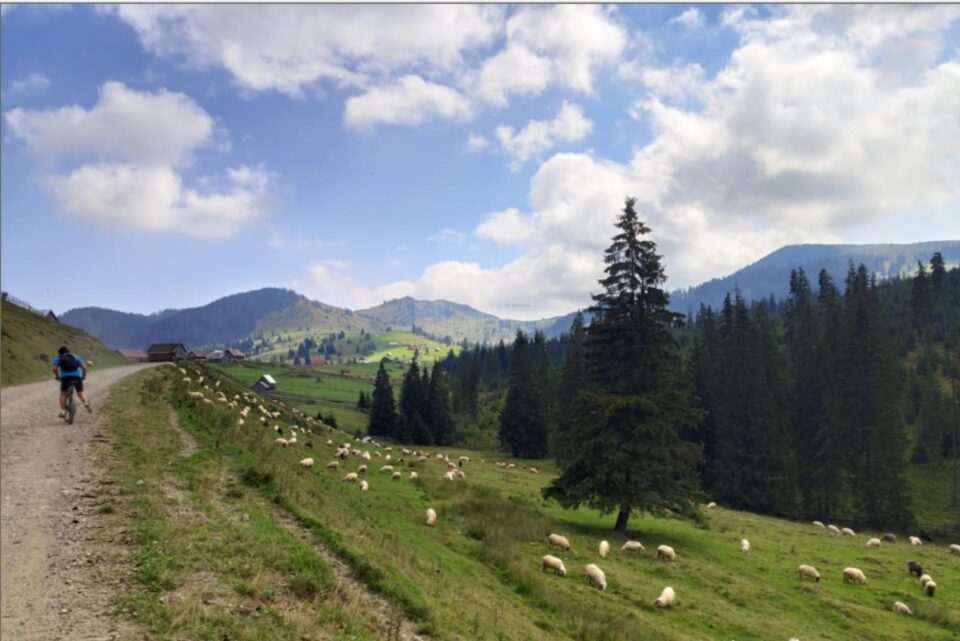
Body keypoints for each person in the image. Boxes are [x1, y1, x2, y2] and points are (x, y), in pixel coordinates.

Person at [52, 346, 92, 418]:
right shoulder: (76, 357)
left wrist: (58, 376)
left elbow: (54, 369)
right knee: (81, 392)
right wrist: (83, 376)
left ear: (60, 353)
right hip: (77, 377)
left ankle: (63, 411)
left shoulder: (59, 358)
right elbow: (84, 367)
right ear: (69, 352)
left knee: (63, 394)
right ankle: (86, 403)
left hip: (65, 378)